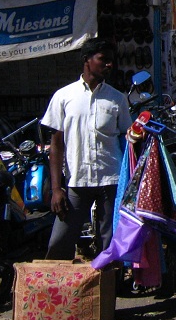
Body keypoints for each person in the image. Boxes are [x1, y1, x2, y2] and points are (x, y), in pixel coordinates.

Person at [44, 37, 132, 260]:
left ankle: (109, 289)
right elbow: (56, 146)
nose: (109, 65)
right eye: (103, 60)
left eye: (111, 61)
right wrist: (56, 188)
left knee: (109, 244)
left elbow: (128, 137)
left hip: (110, 181)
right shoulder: (64, 97)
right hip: (77, 181)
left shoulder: (117, 99)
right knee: (59, 242)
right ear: (87, 60)